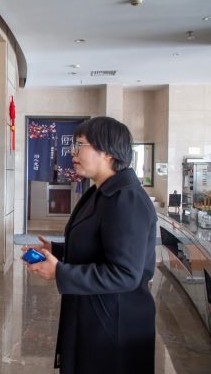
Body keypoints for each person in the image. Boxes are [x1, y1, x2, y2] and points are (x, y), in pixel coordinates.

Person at [24, 116, 156, 374]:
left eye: (80, 145)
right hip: (95, 313)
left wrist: (60, 272)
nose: (73, 152)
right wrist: (56, 251)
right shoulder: (99, 191)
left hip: (114, 324)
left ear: (107, 152)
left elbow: (125, 273)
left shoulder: (126, 198)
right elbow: (100, 245)